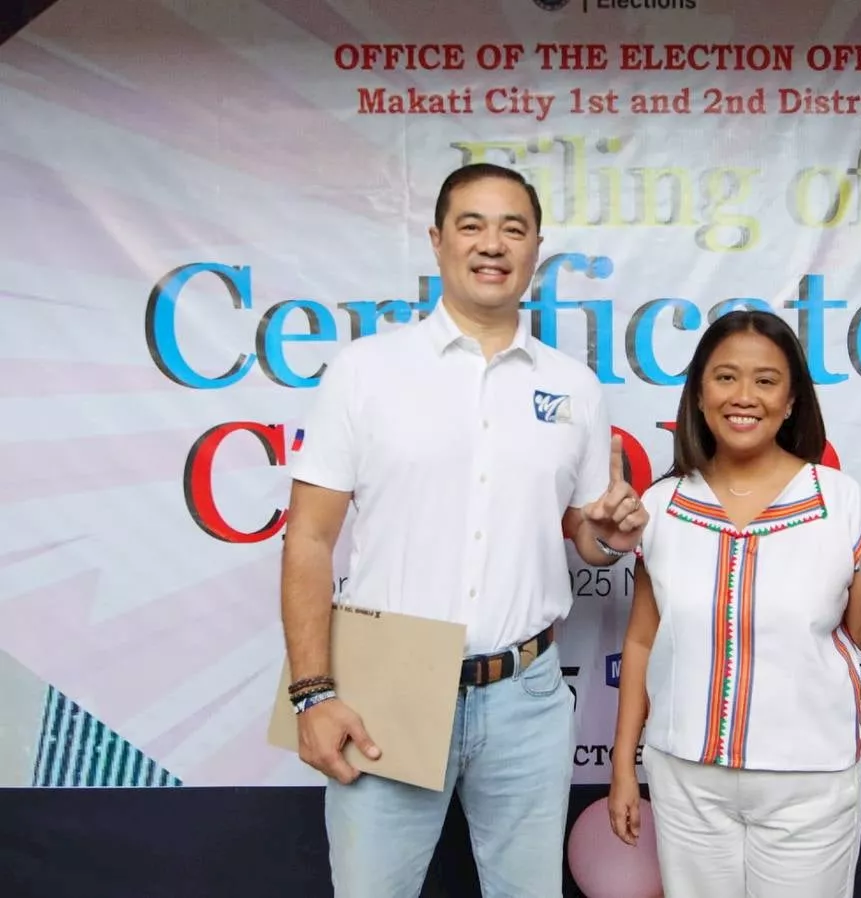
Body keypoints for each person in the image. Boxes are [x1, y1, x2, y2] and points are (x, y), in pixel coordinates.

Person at [279, 162, 648, 898]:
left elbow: (582, 533)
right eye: (472, 225)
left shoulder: (573, 387)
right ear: (438, 242)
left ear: (537, 249)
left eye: (514, 228)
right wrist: (312, 695)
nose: (493, 244)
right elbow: (309, 540)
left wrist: (610, 537)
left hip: (528, 694)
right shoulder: (366, 370)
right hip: (390, 680)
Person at [607, 309, 861, 897]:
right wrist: (623, 767)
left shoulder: (840, 503)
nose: (743, 396)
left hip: (807, 782)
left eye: (766, 380)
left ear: (793, 399)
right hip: (686, 778)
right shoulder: (664, 505)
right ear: (698, 394)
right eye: (725, 377)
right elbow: (643, 639)